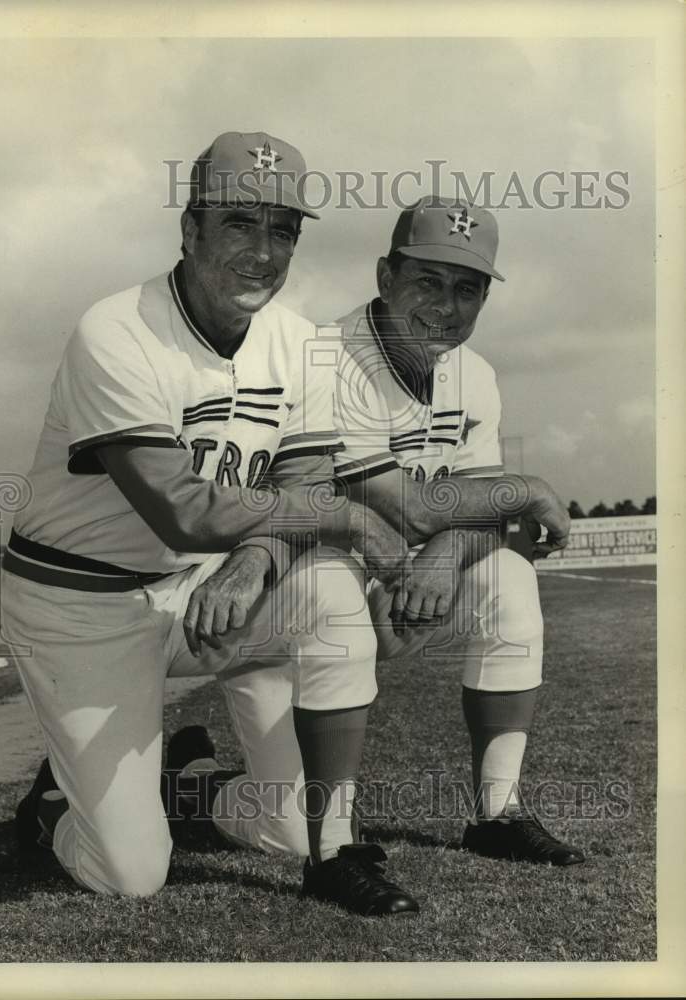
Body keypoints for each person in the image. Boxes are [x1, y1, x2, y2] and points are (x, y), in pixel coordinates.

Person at [4, 130, 469, 916]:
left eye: (282, 230)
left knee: (322, 598)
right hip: (79, 604)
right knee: (131, 873)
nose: (263, 252)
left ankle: (278, 827)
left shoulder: (300, 344)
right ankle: (55, 804)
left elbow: (301, 480)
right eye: (238, 224)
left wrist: (254, 563)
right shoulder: (115, 330)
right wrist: (345, 521)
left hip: (199, 594)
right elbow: (183, 508)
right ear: (189, 230)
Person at [331, 196, 585, 864]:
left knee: (508, 576)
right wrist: (527, 489)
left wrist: (446, 552)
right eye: (428, 282)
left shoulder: (475, 376)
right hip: (307, 590)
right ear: (385, 278)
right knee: (277, 820)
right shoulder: (332, 358)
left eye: (468, 290)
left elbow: (481, 513)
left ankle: (497, 814)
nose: (448, 306)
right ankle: (193, 778)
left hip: (402, 581)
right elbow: (398, 504)